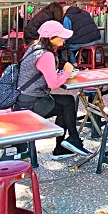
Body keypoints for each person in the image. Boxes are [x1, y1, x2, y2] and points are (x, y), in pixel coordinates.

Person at [13, 20, 86, 157]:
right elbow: (53, 84)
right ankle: (71, 142)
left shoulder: (34, 47)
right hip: (32, 103)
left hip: (22, 99)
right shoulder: (46, 55)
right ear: (51, 39)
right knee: (67, 104)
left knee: (66, 102)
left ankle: (67, 144)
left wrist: (59, 73)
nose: (64, 39)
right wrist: (66, 72)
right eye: (61, 36)